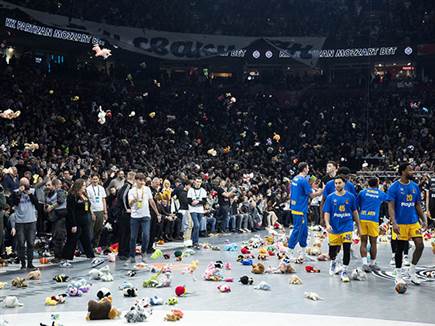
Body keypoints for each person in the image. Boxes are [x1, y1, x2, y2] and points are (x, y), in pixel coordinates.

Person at [387, 163, 426, 285]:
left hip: (413, 221)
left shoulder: (414, 186)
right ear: (403, 171)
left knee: (420, 245)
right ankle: (398, 274)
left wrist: (424, 219)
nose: (412, 172)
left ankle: (412, 271)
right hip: (400, 223)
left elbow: (417, 205)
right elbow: (391, 206)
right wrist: (394, 222)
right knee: (400, 248)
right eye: (410, 170)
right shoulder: (394, 187)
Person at [324, 175, 361, 282]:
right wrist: (327, 224)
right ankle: (333, 262)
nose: (337, 185)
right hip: (334, 227)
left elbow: (355, 212)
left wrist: (358, 226)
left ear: (344, 184)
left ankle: (344, 271)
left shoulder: (350, 197)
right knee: (332, 252)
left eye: (339, 183)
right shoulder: (331, 197)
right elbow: (327, 212)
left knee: (346, 249)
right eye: (336, 183)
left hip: (347, 226)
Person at [287, 162, 323, 259]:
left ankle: (302, 253)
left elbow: (301, 191)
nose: (308, 170)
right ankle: (289, 252)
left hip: (297, 207)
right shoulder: (303, 180)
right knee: (297, 230)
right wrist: (321, 191)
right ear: (304, 169)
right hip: (300, 209)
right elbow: (311, 195)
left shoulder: (295, 178)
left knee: (304, 231)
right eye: (307, 168)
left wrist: (311, 187)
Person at [357, 177, 391, 272]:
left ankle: (364, 264)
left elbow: (357, 205)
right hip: (373, 219)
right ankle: (372, 264)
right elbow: (390, 200)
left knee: (363, 242)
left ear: (368, 183)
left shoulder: (362, 192)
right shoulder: (380, 193)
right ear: (377, 184)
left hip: (362, 218)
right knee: (373, 243)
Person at [61, 179, 95, 267]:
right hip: (75, 222)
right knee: (72, 240)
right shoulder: (72, 196)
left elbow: (88, 205)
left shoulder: (84, 194)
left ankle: (91, 256)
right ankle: (65, 258)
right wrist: (73, 225)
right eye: (83, 185)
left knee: (86, 239)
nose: (85, 187)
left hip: (85, 221)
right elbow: (70, 211)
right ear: (78, 186)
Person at [127, 173, 160, 264]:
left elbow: (151, 201)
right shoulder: (132, 191)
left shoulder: (147, 189)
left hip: (146, 216)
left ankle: (144, 252)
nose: (142, 182)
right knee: (133, 237)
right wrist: (134, 200)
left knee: (146, 235)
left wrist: (157, 213)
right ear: (136, 180)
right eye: (140, 180)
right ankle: (132, 256)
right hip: (135, 216)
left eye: (143, 180)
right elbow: (129, 204)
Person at [9, 177, 38, 270]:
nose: (25, 187)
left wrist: (30, 194)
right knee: (21, 243)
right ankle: (22, 264)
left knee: (30, 243)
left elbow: (37, 203)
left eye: (27, 185)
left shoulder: (33, 191)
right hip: (20, 221)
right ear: (20, 185)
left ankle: (30, 263)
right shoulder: (15, 192)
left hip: (31, 220)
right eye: (24, 185)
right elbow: (14, 203)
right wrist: (19, 193)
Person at [44, 179, 67, 263]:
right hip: (54, 217)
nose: (48, 187)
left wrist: (51, 207)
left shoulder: (60, 192)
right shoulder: (49, 193)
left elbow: (60, 201)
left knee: (59, 236)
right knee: (55, 236)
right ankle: (58, 255)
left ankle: (59, 256)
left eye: (50, 185)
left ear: (55, 185)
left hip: (60, 216)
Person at [115, 171, 136, 260]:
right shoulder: (127, 186)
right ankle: (122, 252)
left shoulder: (130, 186)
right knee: (124, 233)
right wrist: (126, 208)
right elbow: (123, 197)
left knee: (127, 233)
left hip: (126, 213)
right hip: (123, 213)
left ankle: (126, 251)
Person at [86, 174, 108, 249]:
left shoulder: (101, 188)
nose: (95, 181)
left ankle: (95, 246)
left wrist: (105, 212)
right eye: (93, 179)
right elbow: (88, 202)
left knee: (99, 230)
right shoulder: (88, 189)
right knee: (91, 230)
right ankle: (89, 247)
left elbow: (103, 200)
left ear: (98, 180)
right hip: (93, 211)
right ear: (91, 179)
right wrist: (91, 213)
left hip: (100, 211)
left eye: (96, 179)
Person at [187, 177, 207, 249]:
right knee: (197, 225)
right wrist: (193, 203)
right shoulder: (191, 190)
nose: (198, 183)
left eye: (200, 182)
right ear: (194, 182)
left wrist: (198, 201)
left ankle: (193, 241)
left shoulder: (203, 190)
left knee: (196, 226)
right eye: (197, 181)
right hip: (193, 210)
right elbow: (189, 201)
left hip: (200, 210)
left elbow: (204, 201)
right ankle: (195, 242)